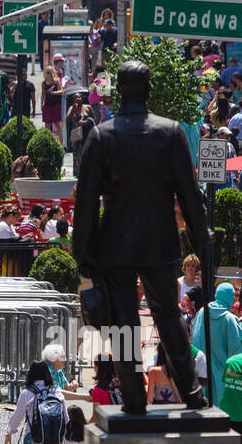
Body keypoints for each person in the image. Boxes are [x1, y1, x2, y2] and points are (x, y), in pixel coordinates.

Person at [74, 59, 209, 413]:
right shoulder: (170, 132)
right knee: (168, 317)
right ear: (148, 90)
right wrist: (202, 237)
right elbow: (189, 194)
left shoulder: (102, 136)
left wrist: (83, 255)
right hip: (158, 241)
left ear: (118, 91)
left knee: (124, 323)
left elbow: (85, 203)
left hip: (115, 246)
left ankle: (133, 397)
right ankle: (192, 393)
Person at [4, 361, 68, 444]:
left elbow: (17, 416)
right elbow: (66, 418)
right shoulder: (56, 391)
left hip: (33, 438)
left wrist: (9, 433)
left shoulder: (27, 393)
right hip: (53, 440)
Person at [193, 282, 242, 393]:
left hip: (200, 370)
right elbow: (236, 348)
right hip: (223, 374)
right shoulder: (229, 319)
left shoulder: (202, 312)